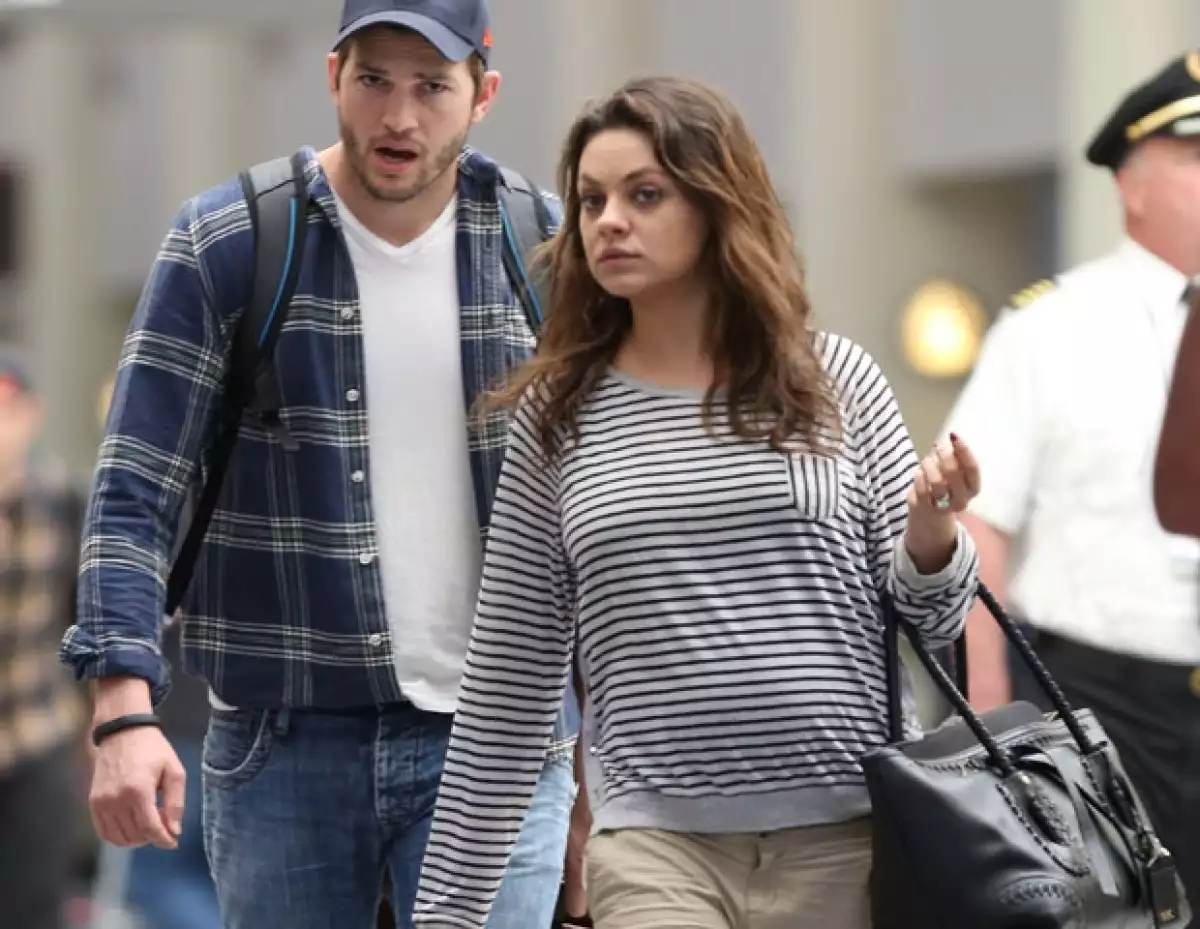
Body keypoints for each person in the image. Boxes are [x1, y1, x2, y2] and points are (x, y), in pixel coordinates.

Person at [412, 76, 982, 929]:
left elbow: (931, 624)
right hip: (655, 848)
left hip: (850, 837)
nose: (609, 220)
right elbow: (509, 676)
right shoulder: (556, 415)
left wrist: (933, 529)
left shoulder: (835, 381)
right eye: (592, 199)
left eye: (645, 195)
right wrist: (447, 914)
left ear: (717, 204)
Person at [59, 2, 578, 927]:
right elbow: (136, 489)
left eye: (432, 87)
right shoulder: (231, 240)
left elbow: (599, 509)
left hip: (499, 741)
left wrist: (602, 760)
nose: (400, 117)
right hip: (284, 740)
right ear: (333, 74)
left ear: (483, 96)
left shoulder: (538, 248)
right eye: (375, 78)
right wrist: (123, 709)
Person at [942, 50, 1200, 910]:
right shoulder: (1051, 327)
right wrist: (991, 720)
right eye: (1197, 156)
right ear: (1131, 184)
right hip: (1102, 707)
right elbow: (978, 524)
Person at [0, 347, 88, 929]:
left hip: (36, 730)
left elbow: (79, 618)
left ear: (32, 413)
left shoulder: (60, 498)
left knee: (34, 906)